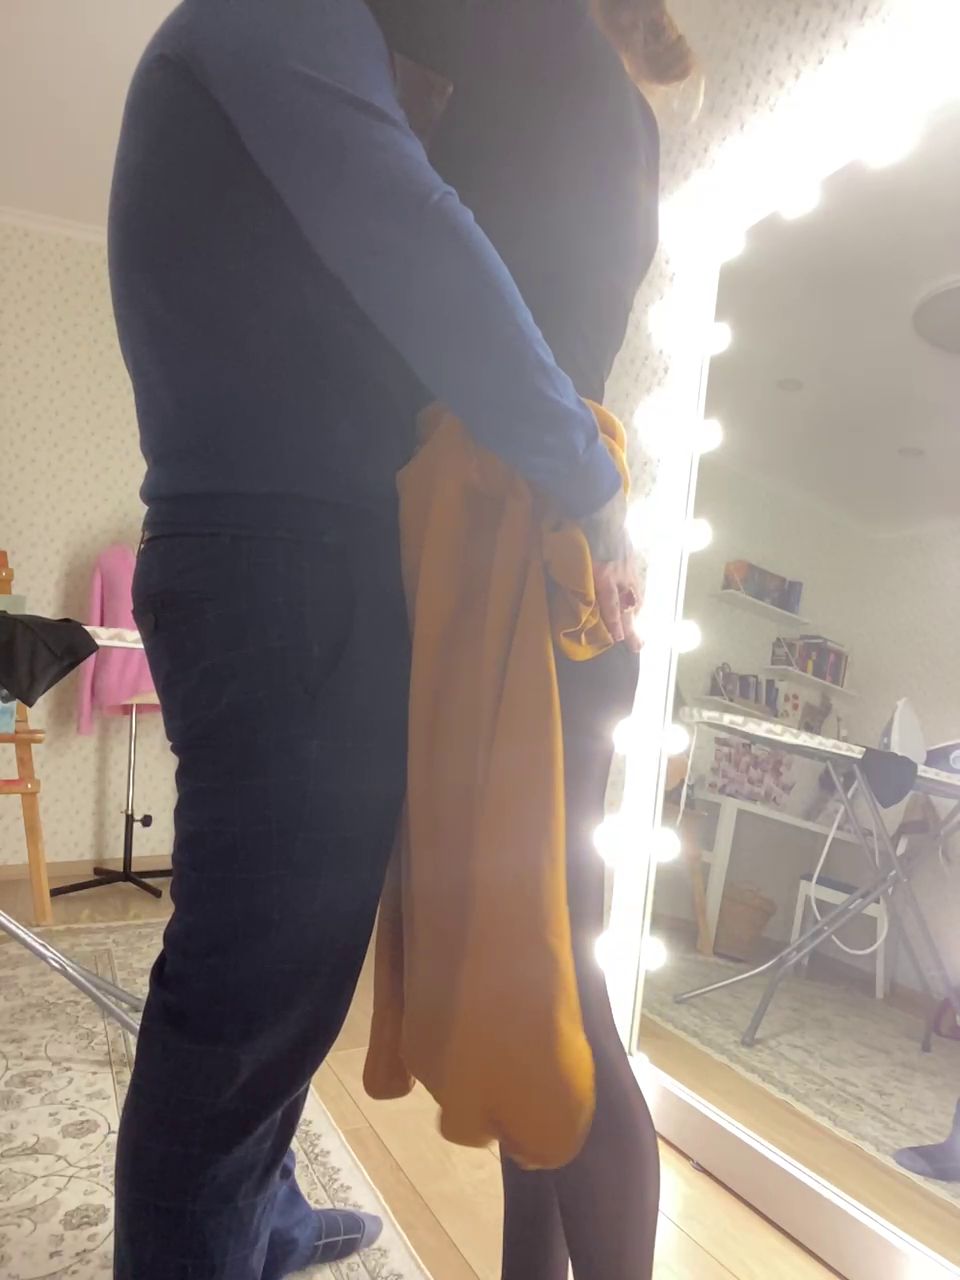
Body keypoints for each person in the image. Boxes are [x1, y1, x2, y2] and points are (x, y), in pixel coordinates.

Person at [107, 1, 642, 1277]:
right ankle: (230, 1223)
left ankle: (267, 1211)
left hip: (285, 554)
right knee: (241, 1011)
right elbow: (412, 233)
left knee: (285, 978)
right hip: (284, 559)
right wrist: (591, 477)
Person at [376, 1, 698, 1276]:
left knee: (551, 989)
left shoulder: (545, 53)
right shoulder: (592, 99)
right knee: (537, 980)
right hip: (535, 541)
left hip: (525, 538)